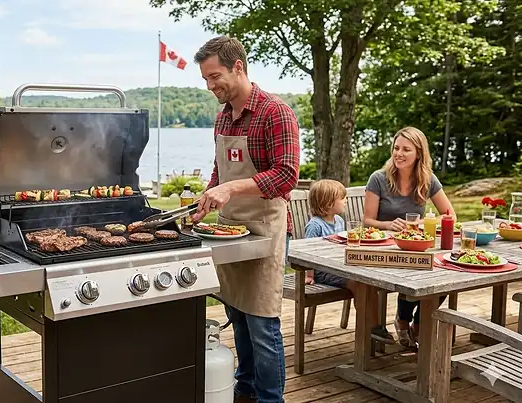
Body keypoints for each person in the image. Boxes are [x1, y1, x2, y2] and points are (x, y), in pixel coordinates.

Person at [189, 35, 299, 403]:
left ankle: (270, 399)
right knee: (237, 315)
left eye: (215, 76)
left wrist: (231, 190)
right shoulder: (223, 118)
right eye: (205, 79)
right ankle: (245, 389)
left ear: (239, 67)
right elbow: (221, 172)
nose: (210, 86)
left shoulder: (274, 112)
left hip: (265, 230)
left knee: (263, 325)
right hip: (229, 232)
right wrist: (207, 198)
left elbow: (286, 175)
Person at [363, 126, 456, 349]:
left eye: (406, 149)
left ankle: (419, 321)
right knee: (415, 273)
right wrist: (388, 224)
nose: (399, 154)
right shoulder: (379, 179)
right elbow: (367, 220)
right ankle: (403, 319)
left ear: (418, 154)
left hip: (415, 246)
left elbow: (450, 214)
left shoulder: (427, 179)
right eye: (396, 148)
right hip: (384, 250)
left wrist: (422, 223)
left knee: (447, 275)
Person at [303, 179, 395, 344]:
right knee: (358, 283)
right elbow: (307, 253)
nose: (345, 201)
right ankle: (370, 327)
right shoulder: (315, 226)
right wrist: (309, 275)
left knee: (370, 280)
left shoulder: (338, 220)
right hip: (323, 272)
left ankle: (375, 326)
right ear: (329, 202)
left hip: (340, 267)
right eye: (342, 198)